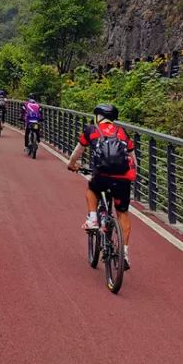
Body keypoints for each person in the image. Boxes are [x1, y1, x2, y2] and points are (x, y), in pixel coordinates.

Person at [67, 103, 136, 269]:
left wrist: (71, 164)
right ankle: (124, 253)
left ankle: (93, 218)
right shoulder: (122, 132)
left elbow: (78, 152)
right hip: (122, 179)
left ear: (98, 116)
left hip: (102, 176)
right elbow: (132, 158)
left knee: (92, 190)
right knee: (122, 213)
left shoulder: (91, 130)